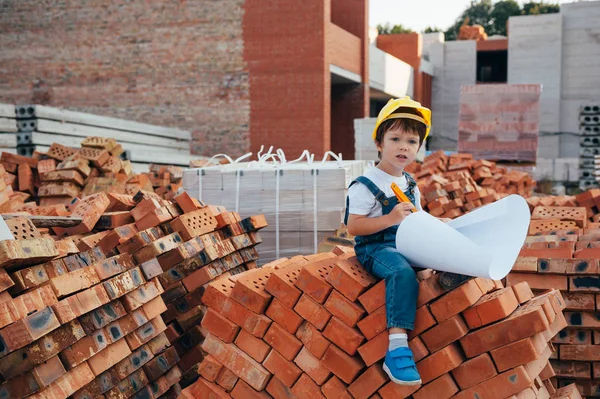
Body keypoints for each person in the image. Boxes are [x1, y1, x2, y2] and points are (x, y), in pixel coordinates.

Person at [344, 96, 448, 385]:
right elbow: (354, 227)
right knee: (402, 272)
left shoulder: (409, 182)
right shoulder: (365, 184)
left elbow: (418, 217)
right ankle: (397, 347)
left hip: (406, 241)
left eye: (412, 141)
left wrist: (442, 225)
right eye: (395, 138)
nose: (404, 146)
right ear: (379, 143)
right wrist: (390, 219)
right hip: (375, 247)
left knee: (440, 262)